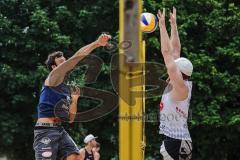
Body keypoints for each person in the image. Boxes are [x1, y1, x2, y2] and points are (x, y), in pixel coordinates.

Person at [33, 34, 111, 160]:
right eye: (61, 61)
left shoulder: (65, 89)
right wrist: (97, 43)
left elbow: (70, 119)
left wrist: (74, 100)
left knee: (76, 157)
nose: (65, 61)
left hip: (59, 129)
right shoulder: (53, 77)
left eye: (65, 59)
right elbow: (77, 57)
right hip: (45, 131)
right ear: (54, 67)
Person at [157, 7, 193, 160]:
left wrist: (162, 26)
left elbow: (167, 53)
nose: (172, 67)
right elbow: (175, 50)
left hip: (176, 142)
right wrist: (173, 25)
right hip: (176, 139)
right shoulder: (180, 82)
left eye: (175, 67)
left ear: (180, 72)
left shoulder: (180, 86)